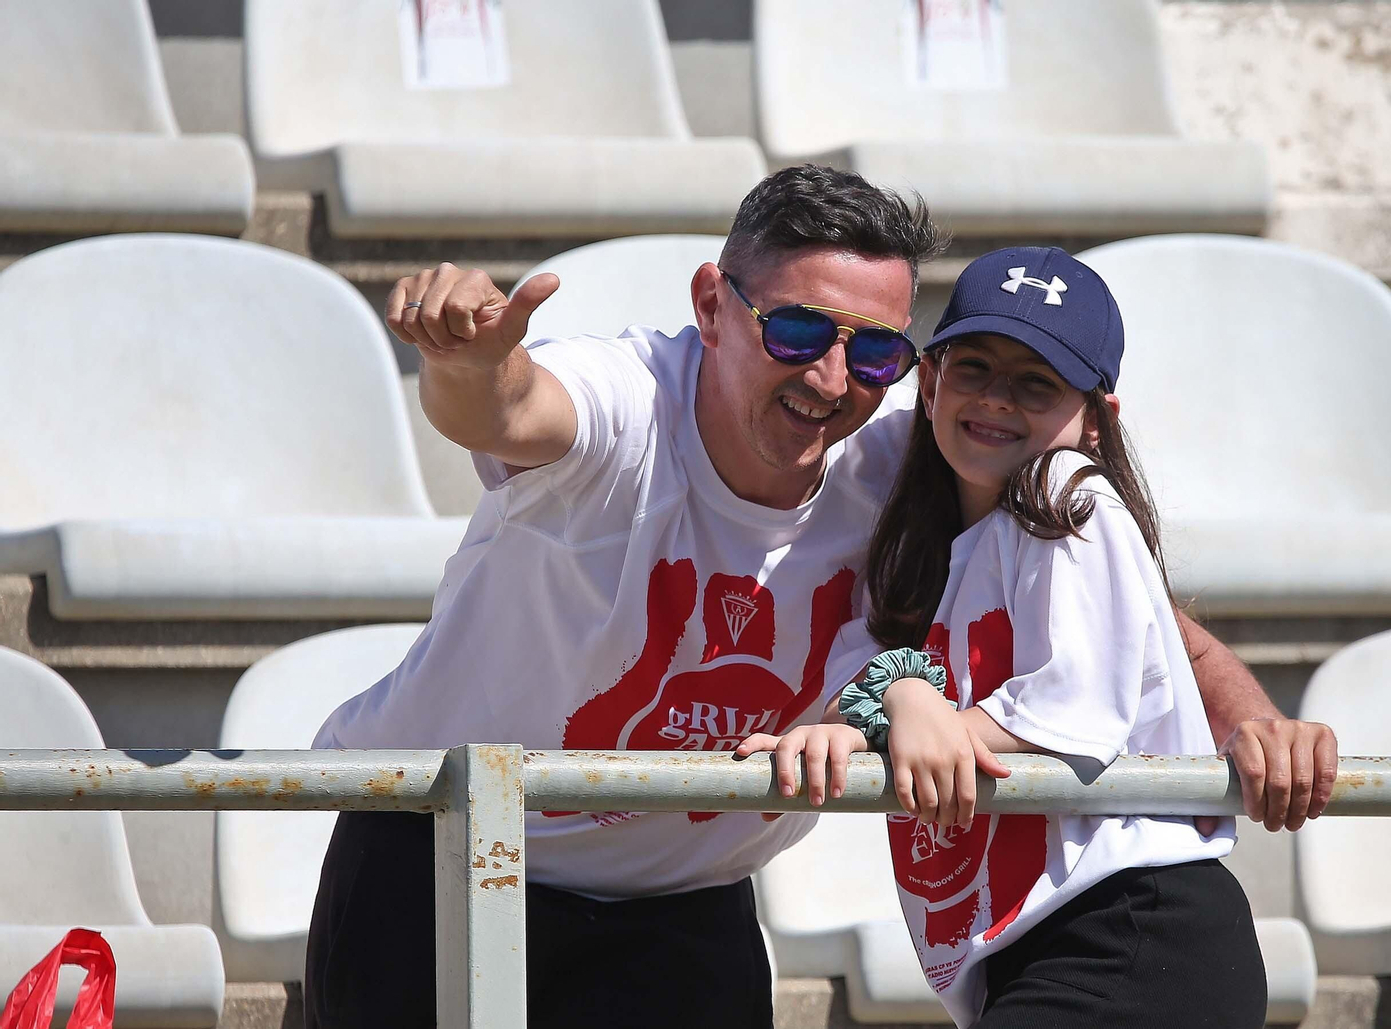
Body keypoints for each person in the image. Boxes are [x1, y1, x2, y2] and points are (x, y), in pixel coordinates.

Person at [304, 165, 1334, 1028]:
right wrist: (465, 365)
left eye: (878, 353)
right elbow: (510, 406)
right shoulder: (628, 400)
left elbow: (1140, 622)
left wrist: (1256, 726)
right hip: (444, 862)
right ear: (712, 307)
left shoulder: (909, 462)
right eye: (797, 331)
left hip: (683, 907)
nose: (833, 379)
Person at [740, 246, 1267, 1027]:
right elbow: (864, 653)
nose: (996, 399)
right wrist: (894, 700)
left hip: (1136, 930)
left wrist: (922, 725)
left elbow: (1074, 706)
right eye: (975, 367)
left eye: (1036, 383)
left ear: (1097, 419)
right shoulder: (922, 542)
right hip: (1037, 949)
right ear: (929, 382)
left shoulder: (1069, 496)